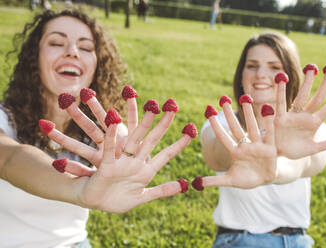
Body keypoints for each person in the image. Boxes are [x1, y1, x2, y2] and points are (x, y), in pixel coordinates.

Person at [0, 9, 195, 248]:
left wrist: (129, 155)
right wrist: (78, 190)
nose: (72, 51)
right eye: (57, 42)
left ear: (97, 64)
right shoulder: (3, 119)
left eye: (85, 47)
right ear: (34, 58)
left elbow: (123, 145)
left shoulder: (107, 132)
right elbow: (9, 159)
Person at [196, 32, 326, 247]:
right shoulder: (220, 123)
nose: (261, 74)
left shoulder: (315, 130)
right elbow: (215, 157)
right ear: (240, 75)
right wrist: (241, 153)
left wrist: (273, 167)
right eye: (252, 65)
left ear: (292, 75)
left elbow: (303, 163)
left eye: (274, 67)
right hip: (239, 239)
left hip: (297, 241)